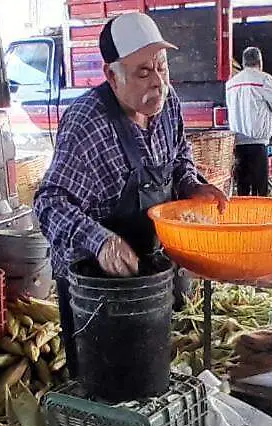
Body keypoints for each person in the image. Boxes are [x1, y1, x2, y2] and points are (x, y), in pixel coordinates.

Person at [35, 12, 228, 366]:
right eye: (143, 72)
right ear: (112, 75)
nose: (158, 82)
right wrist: (100, 241)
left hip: (152, 270)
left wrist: (192, 185)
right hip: (96, 290)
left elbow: (179, 159)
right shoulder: (86, 123)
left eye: (162, 67)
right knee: (105, 381)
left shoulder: (168, 103)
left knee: (158, 370)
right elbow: (49, 203)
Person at [226, 47, 272, 196]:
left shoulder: (231, 83)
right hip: (258, 141)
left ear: (243, 63)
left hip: (238, 141)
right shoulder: (263, 79)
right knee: (260, 190)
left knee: (242, 188)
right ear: (260, 62)